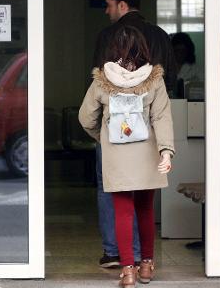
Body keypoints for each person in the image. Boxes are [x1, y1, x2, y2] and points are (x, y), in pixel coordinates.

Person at [79, 25, 175, 288]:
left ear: (112, 51)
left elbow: (86, 117)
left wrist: (104, 138)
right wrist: (165, 150)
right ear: (143, 49)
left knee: (123, 212)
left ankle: (128, 271)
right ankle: (146, 266)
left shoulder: (101, 81)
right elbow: (162, 117)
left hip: (117, 156)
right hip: (147, 155)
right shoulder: (154, 79)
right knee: (145, 209)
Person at [91, 0, 178, 268]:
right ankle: (144, 260)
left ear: (123, 5)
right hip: (148, 139)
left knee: (114, 195)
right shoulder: (162, 38)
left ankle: (116, 254)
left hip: (114, 136)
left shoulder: (107, 36)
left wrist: (102, 133)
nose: (106, 10)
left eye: (109, 4)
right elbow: (171, 84)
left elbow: (90, 102)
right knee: (144, 202)